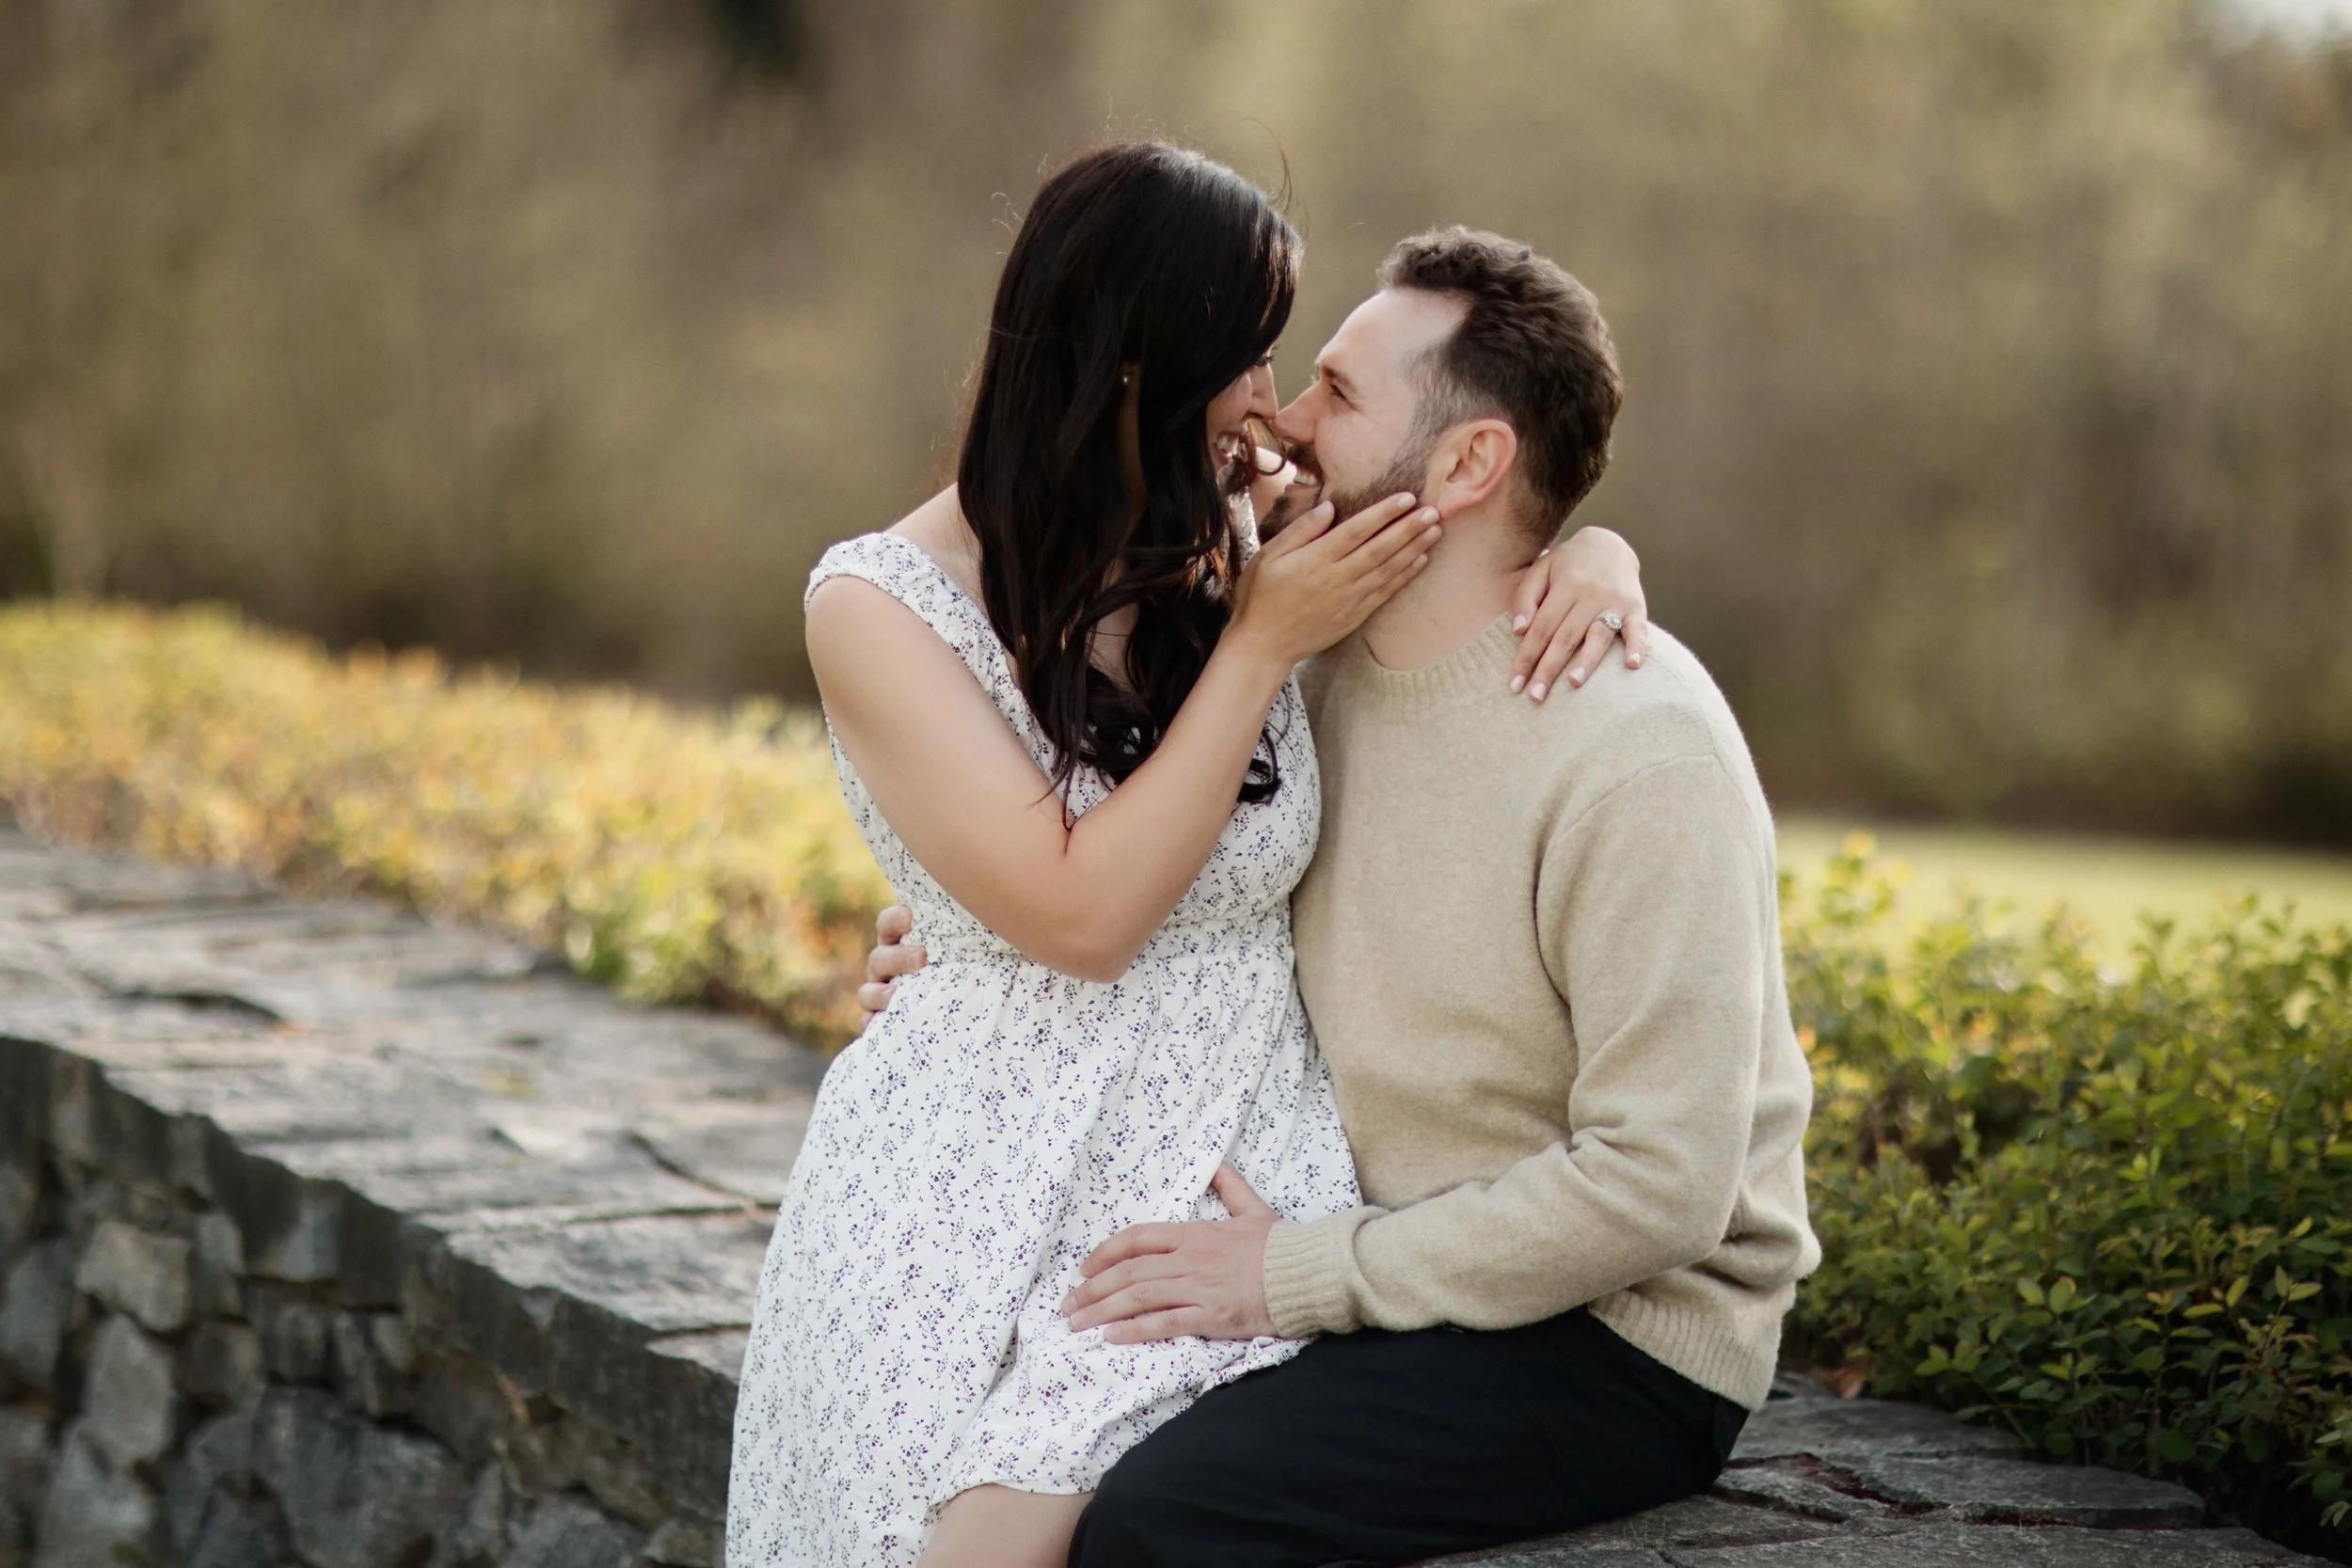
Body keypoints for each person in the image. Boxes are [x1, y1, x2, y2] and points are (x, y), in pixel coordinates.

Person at [725, 145, 1647, 1568]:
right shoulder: (878, 605)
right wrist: (1260, 644)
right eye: (1251, 356)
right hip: (968, 1174)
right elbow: (1081, 915)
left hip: (1216, 1158)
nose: (1271, 405)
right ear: (1139, 366)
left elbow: (1488, 509)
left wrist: (1598, 559)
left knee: (1024, 1534)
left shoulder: (1236, 533)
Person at [859, 226, 1820, 1567]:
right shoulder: (1303, 677)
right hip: (1359, 1246)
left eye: (1339, 394)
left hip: (1609, 1335)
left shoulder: (1636, 747)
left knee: (1153, 1523)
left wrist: (1298, 1275)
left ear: (1470, 463)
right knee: (969, 1422)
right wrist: (975, 939)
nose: (1285, 421)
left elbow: (1662, 1186)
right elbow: (1134, 878)